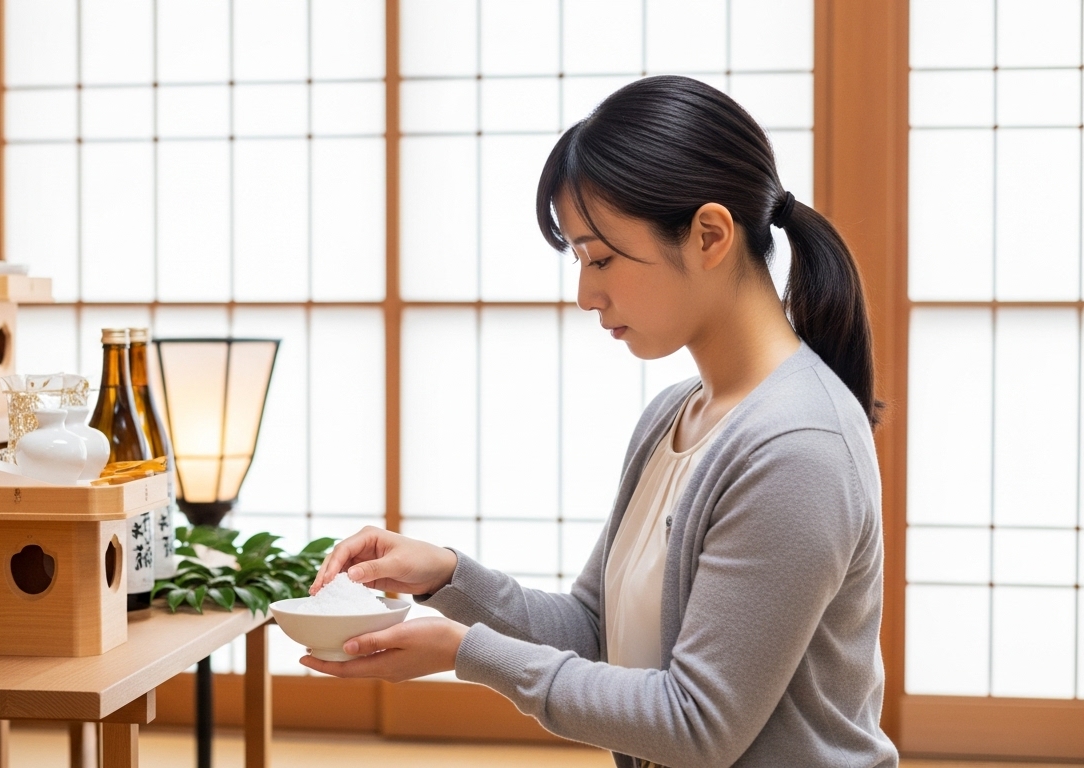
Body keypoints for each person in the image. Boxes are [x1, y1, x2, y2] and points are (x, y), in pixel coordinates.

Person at [304, 76, 898, 767]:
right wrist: (445, 577)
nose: (587, 293)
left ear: (710, 235)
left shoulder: (796, 448)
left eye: (602, 257)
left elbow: (698, 725)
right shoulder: (674, 415)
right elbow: (592, 631)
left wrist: (465, 653)